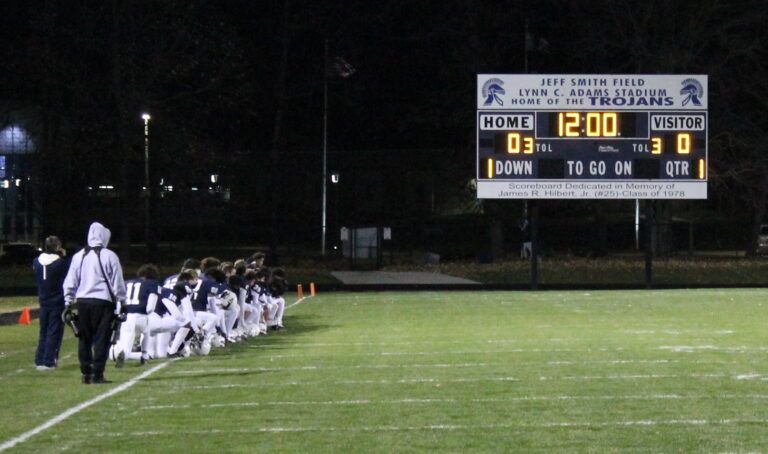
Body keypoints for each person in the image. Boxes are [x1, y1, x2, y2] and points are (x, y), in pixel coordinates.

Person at [63, 222, 126, 384]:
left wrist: (68, 302)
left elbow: (70, 281)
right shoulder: (109, 255)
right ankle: (98, 373)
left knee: (84, 338)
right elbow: (117, 282)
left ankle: (86, 373)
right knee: (102, 339)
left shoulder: (79, 256)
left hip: (83, 302)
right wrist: (122, 301)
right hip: (104, 303)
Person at [32, 236, 69, 370]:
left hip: (43, 300)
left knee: (43, 331)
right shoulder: (60, 263)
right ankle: (49, 361)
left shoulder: (36, 261)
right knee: (54, 331)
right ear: (57, 247)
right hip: (57, 301)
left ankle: (39, 359)